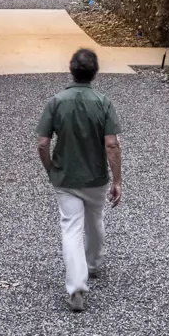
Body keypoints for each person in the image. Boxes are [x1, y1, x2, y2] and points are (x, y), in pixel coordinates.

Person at [35, 45, 123, 311]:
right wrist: (117, 179)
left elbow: (41, 143)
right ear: (95, 73)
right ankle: (93, 263)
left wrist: (52, 170)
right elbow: (111, 144)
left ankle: (76, 286)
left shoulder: (56, 101)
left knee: (71, 228)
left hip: (65, 177)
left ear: (71, 71)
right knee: (94, 220)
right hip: (95, 176)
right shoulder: (103, 102)